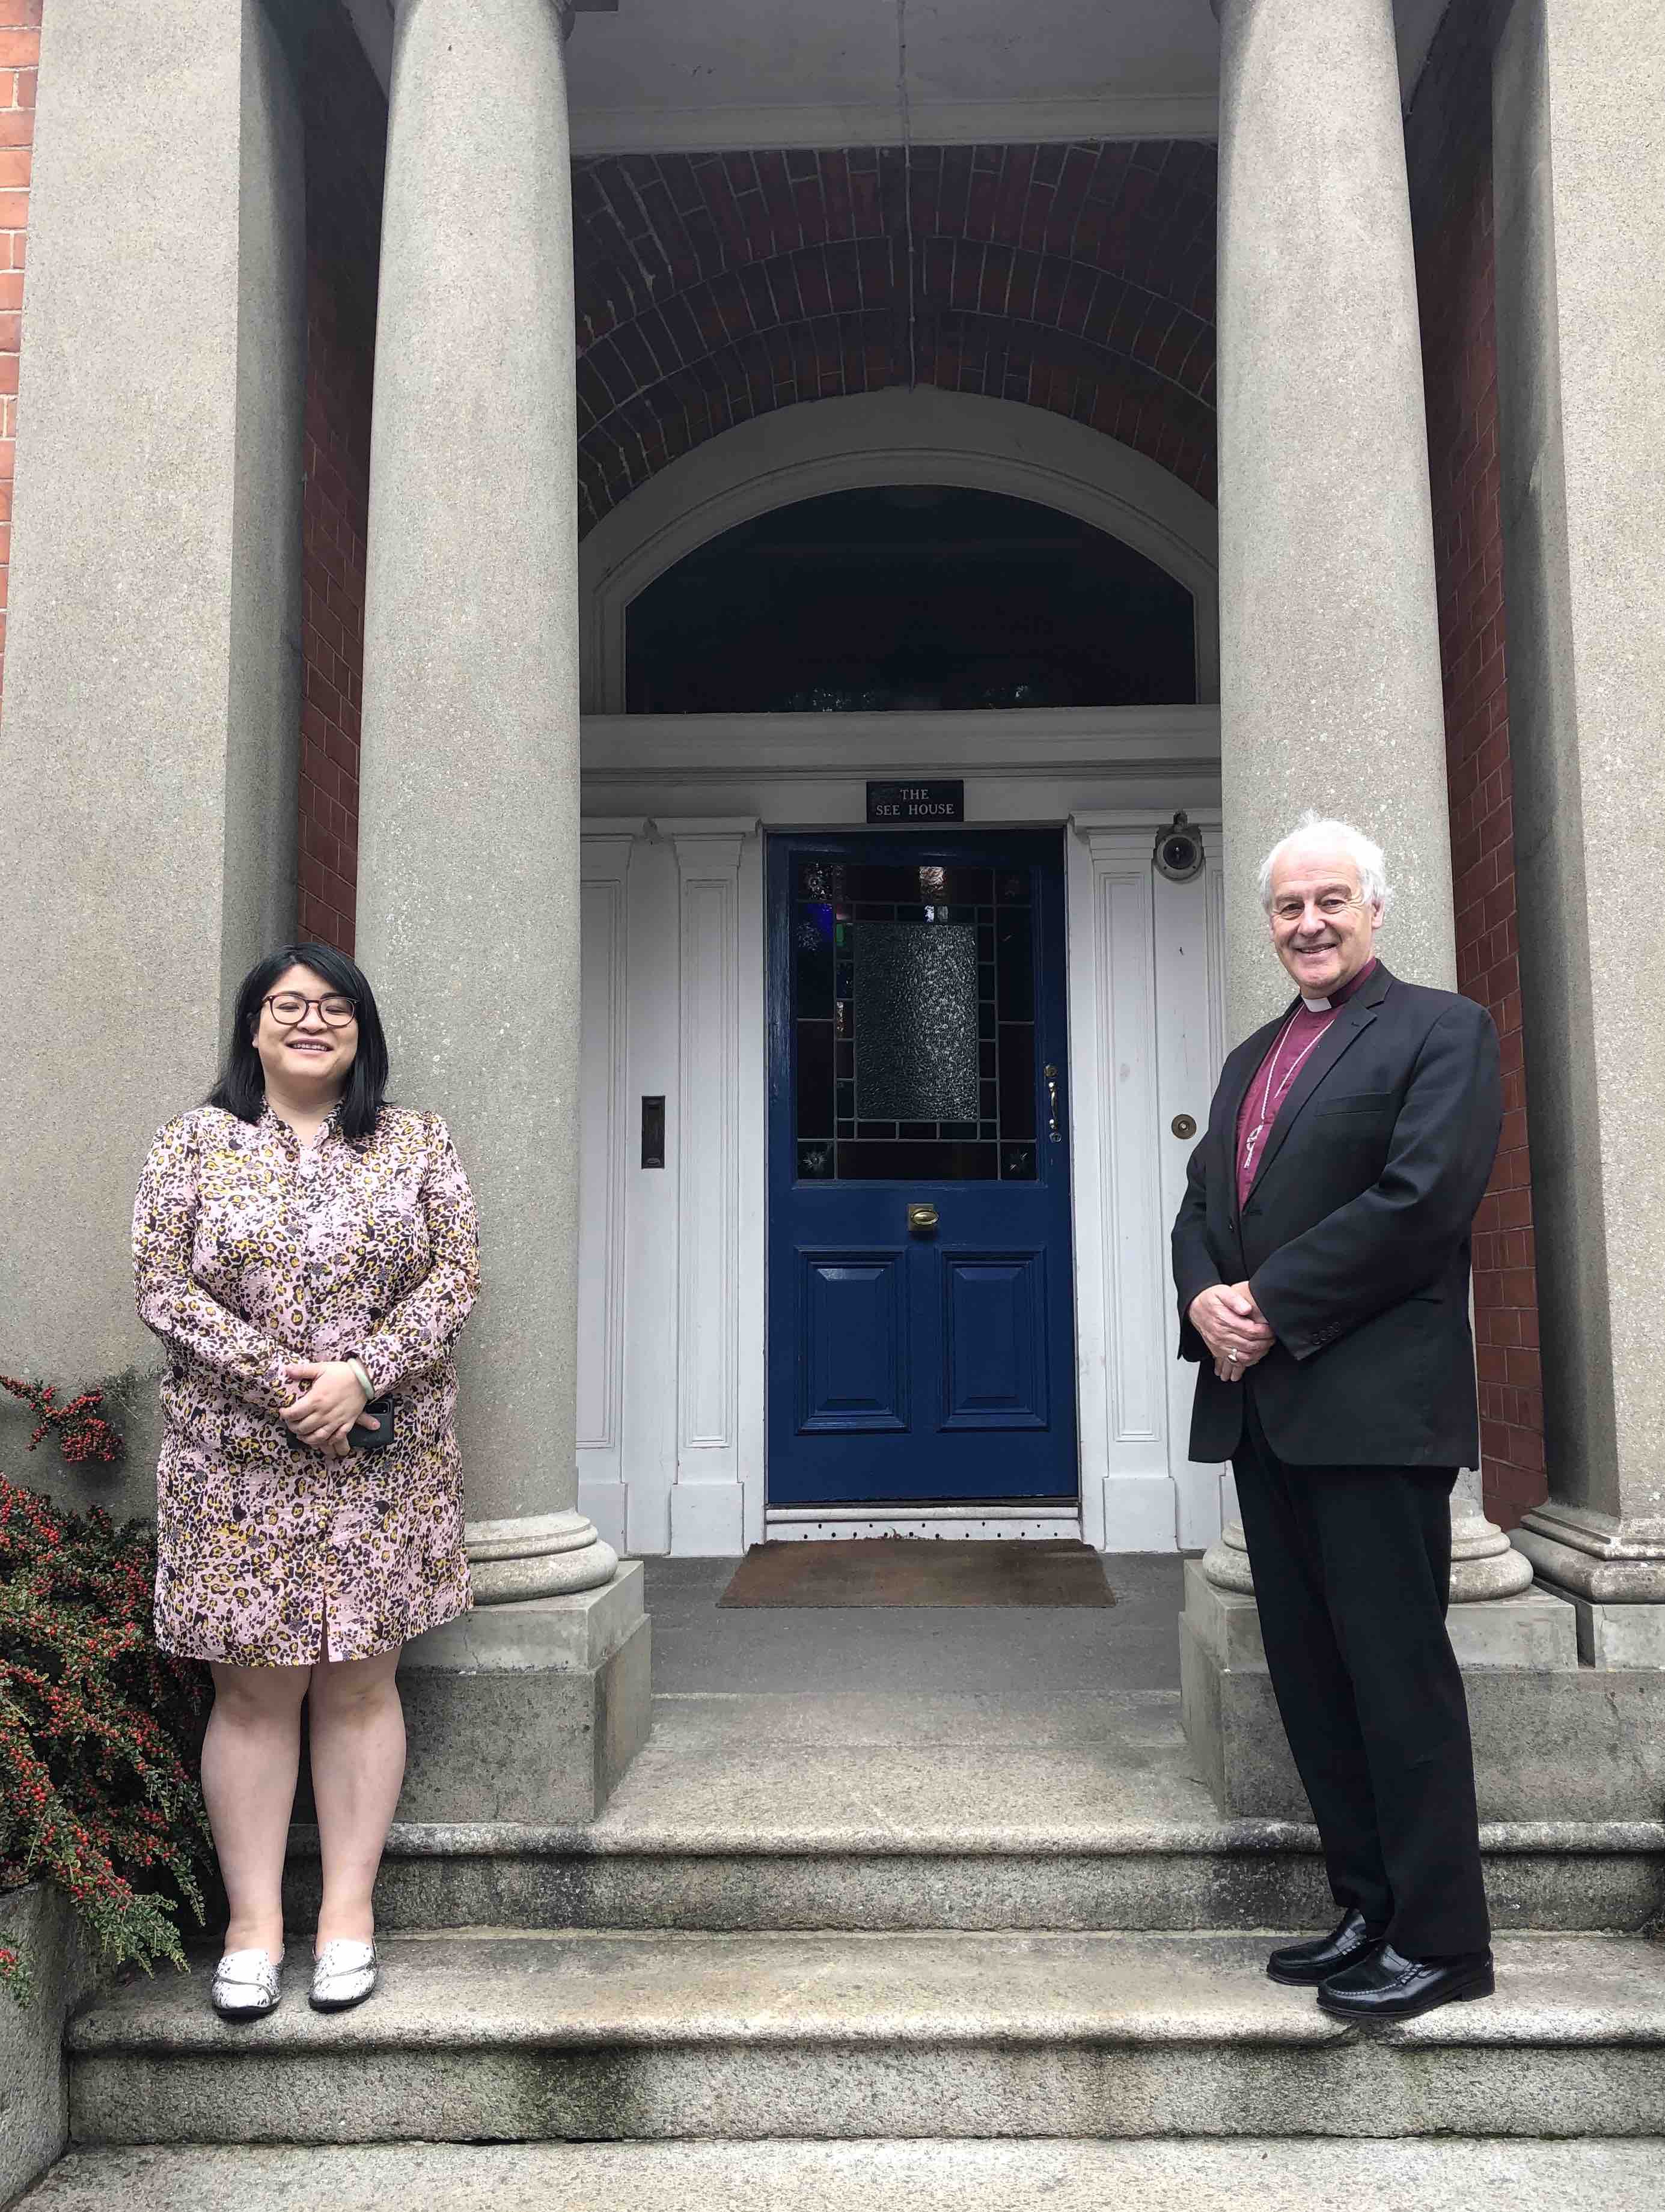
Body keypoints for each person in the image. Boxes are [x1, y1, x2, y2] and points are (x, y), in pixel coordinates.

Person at [1171, 814, 1501, 2023]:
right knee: (1312, 1679)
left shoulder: (1440, 1031)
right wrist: (1201, 1289)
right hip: (1265, 1410)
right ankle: (1366, 1906)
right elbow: (1200, 1199)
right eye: (1284, 906)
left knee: (1394, 1678)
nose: (1304, 923)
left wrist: (1266, 1297)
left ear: (1374, 906)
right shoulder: (1251, 1055)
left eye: (1327, 901)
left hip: (1372, 1414)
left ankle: (1442, 1938)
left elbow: (1419, 1203)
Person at [133, 943, 480, 2019]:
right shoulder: (195, 1143)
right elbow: (159, 1282)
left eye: (335, 1007)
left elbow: (455, 1276)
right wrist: (286, 1382)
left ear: (361, 1030)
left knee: (363, 1684)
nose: (312, 1021)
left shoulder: (416, 1141)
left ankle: (346, 1917)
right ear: (253, 1027)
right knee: (252, 1688)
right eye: (288, 1005)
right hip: (234, 1463)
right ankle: (251, 1925)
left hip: (381, 1457)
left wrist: (360, 1375)